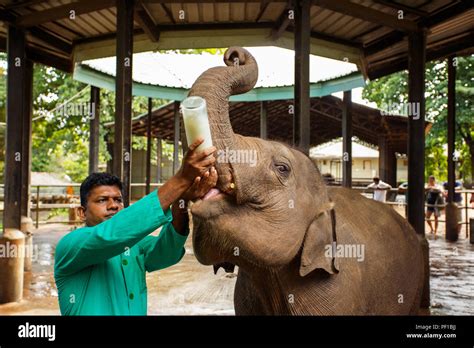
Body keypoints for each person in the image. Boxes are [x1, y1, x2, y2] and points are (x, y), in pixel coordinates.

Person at [54, 138, 217, 315]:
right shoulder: (70, 246)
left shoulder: (135, 245)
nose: (113, 205)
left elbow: (167, 253)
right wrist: (182, 179)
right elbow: (110, 235)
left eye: (118, 200)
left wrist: (182, 200)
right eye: (102, 200)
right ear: (82, 212)